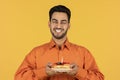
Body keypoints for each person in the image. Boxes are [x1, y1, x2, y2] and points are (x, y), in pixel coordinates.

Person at [14, 5, 104, 80]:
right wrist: (43, 72)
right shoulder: (36, 53)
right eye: (55, 21)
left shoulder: (83, 53)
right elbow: (18, 77)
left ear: (69, 25)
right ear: (49, 24)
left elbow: (99, 78)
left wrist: (78, 72)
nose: (58, 26)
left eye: (63, 22)